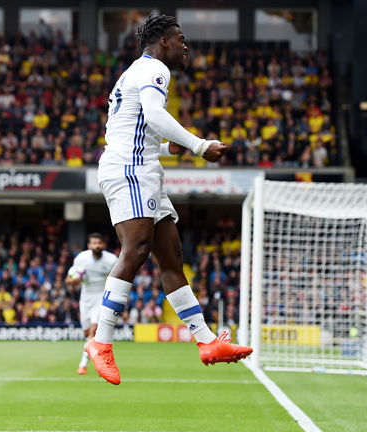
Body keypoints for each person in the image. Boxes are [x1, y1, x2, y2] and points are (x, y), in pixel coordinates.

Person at [88, 15, 252, 385]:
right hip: (130, 171)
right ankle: (101, 342)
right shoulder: (155, 70)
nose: (186, 46)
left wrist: (164, 148)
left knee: (171, 257)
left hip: (140, 167)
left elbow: (125, 128)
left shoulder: (136, 72)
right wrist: (199, 146)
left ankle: (207, 342)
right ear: (163, 42)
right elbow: (153, 115)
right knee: (137, 249)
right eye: (181, 39)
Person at [65, 233, 117, 375]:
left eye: (99, 243)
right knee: (87, 332)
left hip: (102, 297)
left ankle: (82, 365)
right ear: (89, 245)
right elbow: (68, 279)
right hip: (86, 298)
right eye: (94, 243)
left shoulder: (112, 260)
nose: (97, 246)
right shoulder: (82, 258)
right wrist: (74, 281)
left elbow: (119, 277)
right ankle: (91, 350)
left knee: (93, 331)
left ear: (103, 245)